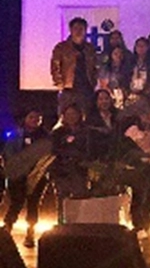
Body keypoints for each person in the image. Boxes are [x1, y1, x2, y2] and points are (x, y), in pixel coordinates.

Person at [3, 109, 49, 247]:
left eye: (38, 118)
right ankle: (7, 229)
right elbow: (8, 153)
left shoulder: (45, 136)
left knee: (33, 204)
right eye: (32, 117)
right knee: (16, 203)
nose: (35, 120)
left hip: (38, 175)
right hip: (18, 175)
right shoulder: (16, 135)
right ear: (25, 118)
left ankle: (30, 233)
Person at [123, 103, 150, 232]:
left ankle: (148, 219)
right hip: (138, 166)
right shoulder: (133, 130)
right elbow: (130, 147)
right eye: (147, 115)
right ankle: (137, 222)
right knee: (139, 194)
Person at [50, 105, 91, 218]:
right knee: (62, 198)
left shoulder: (85, 132)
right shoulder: (58, 132)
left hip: (79, 169)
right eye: (68, 114)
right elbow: (53, 150)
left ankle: (77, 223)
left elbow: (88, 149)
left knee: (80, 197)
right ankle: (62, 223)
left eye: (74, 114)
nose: (71, 117)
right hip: (62, 170)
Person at [51, 17, 98, 116]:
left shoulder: (89, 48)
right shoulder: (61, 48)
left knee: (86, 117)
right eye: (76, 28)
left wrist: (94, 82)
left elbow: (95, 66)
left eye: (81, 29)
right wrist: (60, 83)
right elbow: (55, 67)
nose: (78, 31)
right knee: (66, 116)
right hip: (69, 88)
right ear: (71, 30)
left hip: (86, 88)